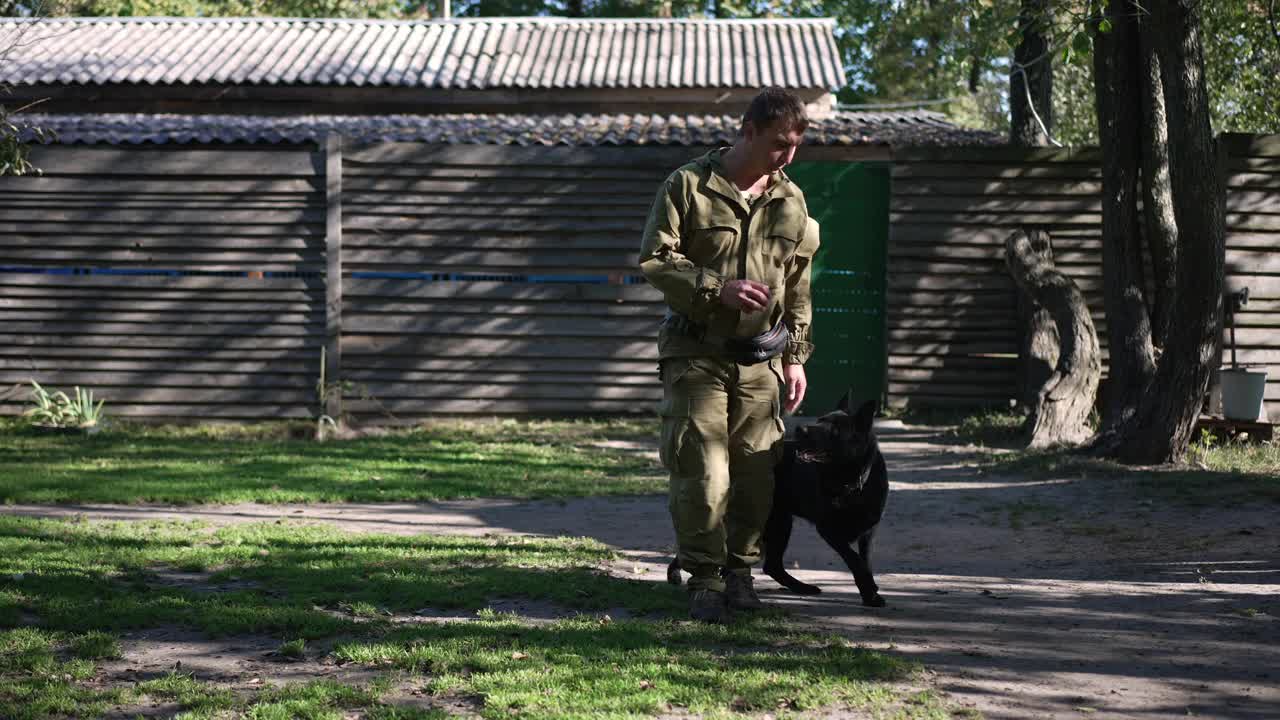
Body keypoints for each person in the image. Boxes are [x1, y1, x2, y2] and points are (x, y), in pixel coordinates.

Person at [638, 87, 820, 623]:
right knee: (704, 469)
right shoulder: (689, 185)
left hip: (760, 358)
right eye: (776, 144)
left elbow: (799, 283)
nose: (786, 156)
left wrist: (796, 356)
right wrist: (714, 287)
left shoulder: (792, 201)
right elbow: (655, 258)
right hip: (696, 351)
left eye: (794, 146)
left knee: (757, 473)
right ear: (747, 131)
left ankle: (740, 572)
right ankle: (705, 578)